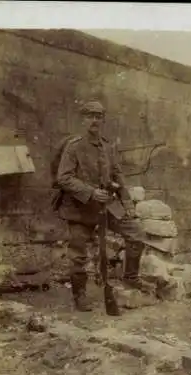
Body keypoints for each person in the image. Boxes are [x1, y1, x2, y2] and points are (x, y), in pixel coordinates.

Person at [55, 100, 147, 311]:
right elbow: (64, 177)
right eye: (90, 116)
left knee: (136, 232)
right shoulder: (74, 146)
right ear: (83, 119)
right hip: (81, 207)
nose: (94, 120)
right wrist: (90, 192)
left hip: (107, 205)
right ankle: (80, 295)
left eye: (98, 116)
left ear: (103, 120)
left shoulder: (108, 146)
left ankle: (131, 276)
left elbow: (118, 175)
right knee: (78, 253)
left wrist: (127, 205)